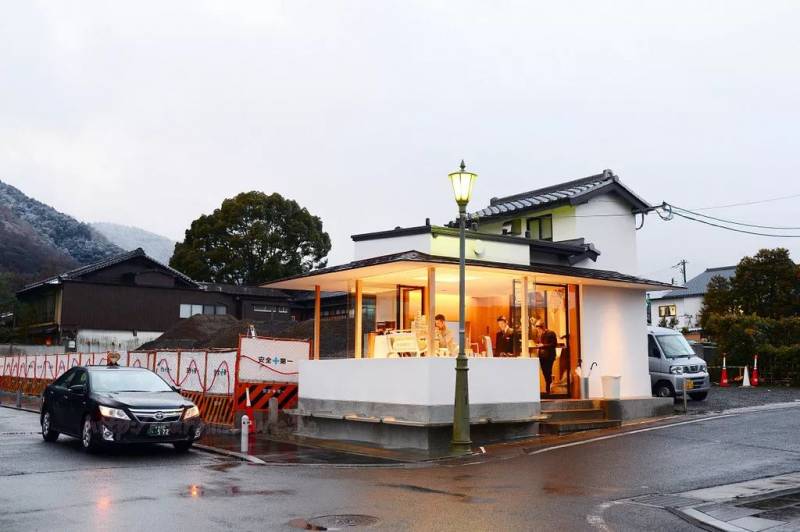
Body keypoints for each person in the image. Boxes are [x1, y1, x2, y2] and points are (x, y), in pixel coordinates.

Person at [534, 320, 558, 393]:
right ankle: (548, 388)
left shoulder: (551, 333)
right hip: (542, 356)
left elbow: (554, 344)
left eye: (538, 328)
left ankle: (548, 389)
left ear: (542, 327)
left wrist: (543, 345)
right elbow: (540, 343)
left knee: (548, 372)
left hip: (549, 356)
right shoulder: (540, 334)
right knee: (545, 372)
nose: (538, 330)